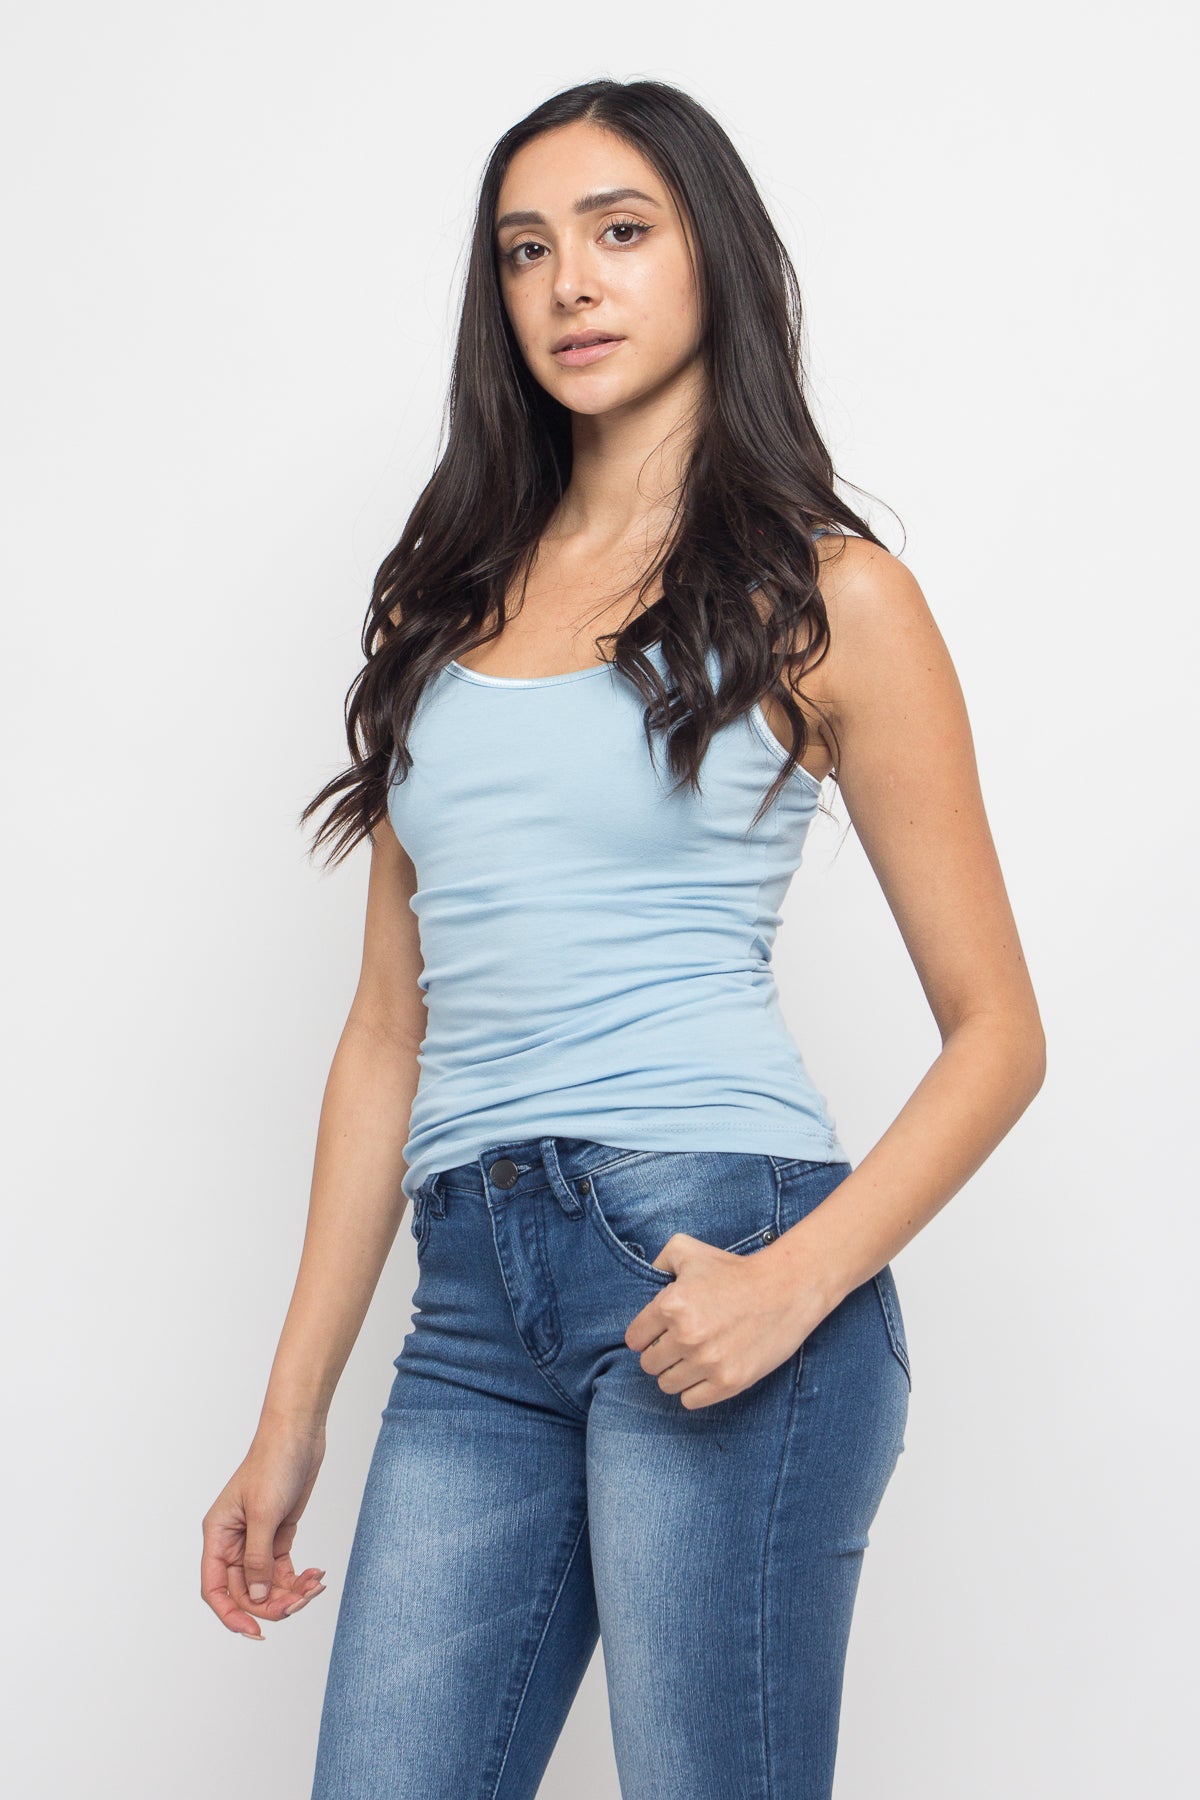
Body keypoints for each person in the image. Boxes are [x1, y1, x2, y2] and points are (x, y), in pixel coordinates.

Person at [201, 77, 1046, 1800]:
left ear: (712, 258)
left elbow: (999, 1033)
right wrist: (290, 1417)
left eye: (620, 231)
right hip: (470, 1314)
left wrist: (795, 1285)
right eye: (526, 250)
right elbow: (387, 1033)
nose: (570, 282)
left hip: (716, 1252)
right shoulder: (440, 608)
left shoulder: (827, 597)